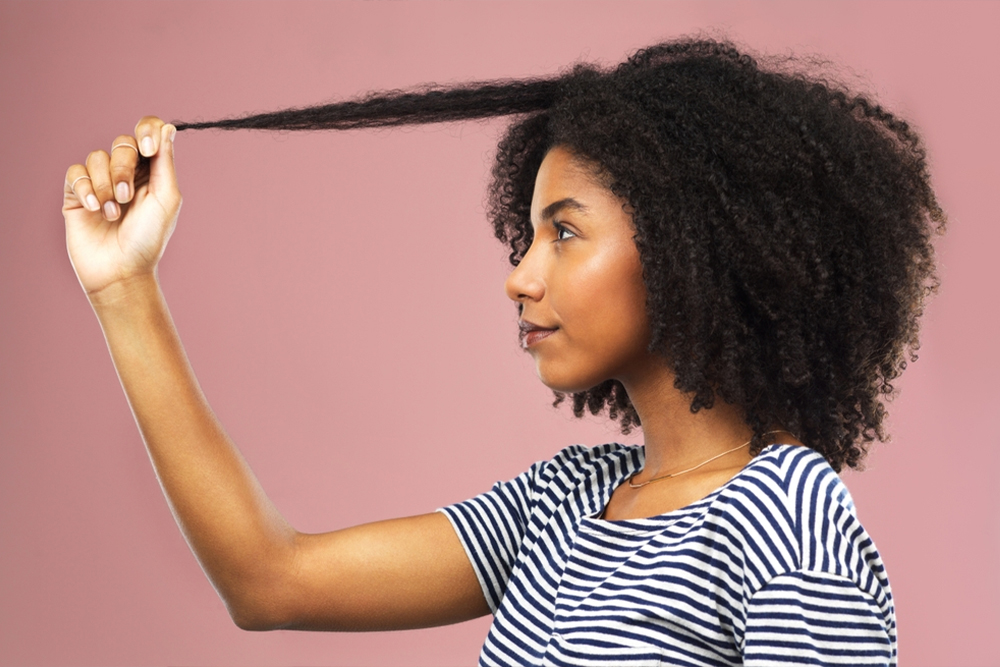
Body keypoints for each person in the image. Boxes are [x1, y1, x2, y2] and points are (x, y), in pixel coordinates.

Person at [61, 39, 942, 666]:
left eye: (564, 232)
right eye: (525, 237)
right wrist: (123, 287)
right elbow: (271, 580)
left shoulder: (789, 517)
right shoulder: (564, 502)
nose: (520, 276)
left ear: (691, 244)